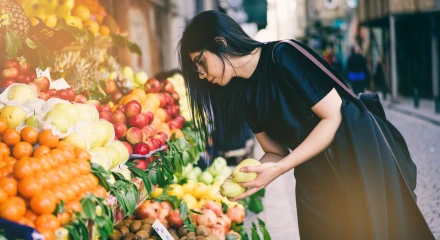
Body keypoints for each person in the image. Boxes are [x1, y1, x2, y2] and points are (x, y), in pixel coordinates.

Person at [178, 10, 434, 240]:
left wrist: (280, 168)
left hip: (355, 162)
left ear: (220, 42)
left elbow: (333, 116)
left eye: (201, 62)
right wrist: (253, 178)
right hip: (313, 180)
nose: (202, 74)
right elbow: (275, 152)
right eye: (195, 70)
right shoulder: (244, 95)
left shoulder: (283, 55)